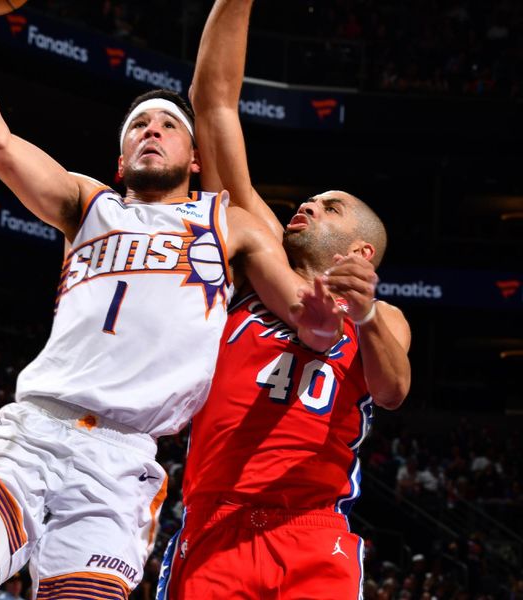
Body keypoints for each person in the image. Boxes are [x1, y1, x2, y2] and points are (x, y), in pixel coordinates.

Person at [0, 0, 344, 598]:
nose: (152, 130)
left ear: (195, 160)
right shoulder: (86, 204)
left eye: (168, 125)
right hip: (35, 431)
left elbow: (308, 320)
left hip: (122, 461)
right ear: (120, 161)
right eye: (139, 127)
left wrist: (325, 320)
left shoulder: (230, 224)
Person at [158, 1, 412, 598]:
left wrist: (368, 315)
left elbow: (394, 390)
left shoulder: (386, 317)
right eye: (311, 199)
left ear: (361, 251)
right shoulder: (255, 262)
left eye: (329, 206)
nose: (308, 205)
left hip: (313, 531)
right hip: (215, 520)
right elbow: (213, 100)